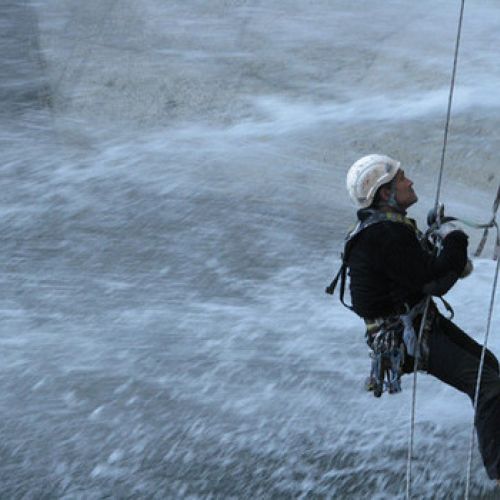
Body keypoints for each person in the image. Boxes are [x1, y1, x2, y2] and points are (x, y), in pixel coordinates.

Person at [335, 154, 500, 481]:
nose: (409, 182)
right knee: (489, 387)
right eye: (402, 179)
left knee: (491, 369)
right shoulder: (383, 235)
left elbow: (421, 274)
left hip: (412, 323)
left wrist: (441, 244)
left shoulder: (384, 229)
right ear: (385, 194)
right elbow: (434, 281)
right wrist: (455, 237)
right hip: (406, 335)